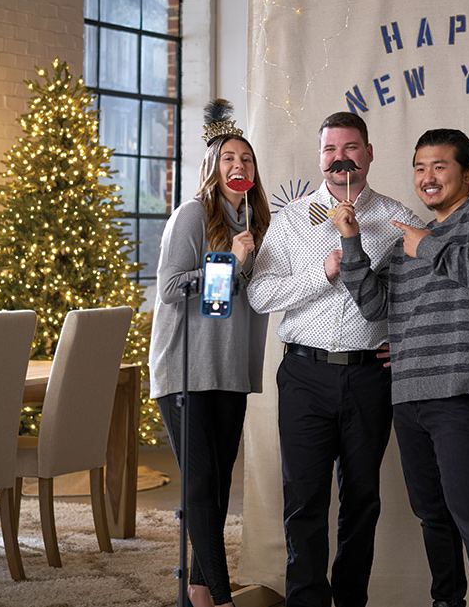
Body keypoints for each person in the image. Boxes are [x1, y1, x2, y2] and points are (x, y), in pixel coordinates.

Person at [337, 128, 469, 607]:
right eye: (420, 168)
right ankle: (447, 601)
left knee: (468, 513)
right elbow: (376, 307)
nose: (428, 177)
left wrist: (428, 247)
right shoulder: (410, 239)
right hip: (408, 395)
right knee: (432, 515)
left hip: (460, 389)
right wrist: (353, 243)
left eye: (440, 166)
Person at [247, 111, 423, 607]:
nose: (339, 159)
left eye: (350, 148)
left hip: (370, 377)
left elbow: (421, 297)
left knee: (362, 500)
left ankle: (350, 603)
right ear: (320, 157)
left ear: (368, 154)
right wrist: (323, 273)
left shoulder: (397, 219)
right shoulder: (292, 219)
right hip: (304, 374)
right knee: (303, 500)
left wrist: (404, 342)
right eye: (330, 150)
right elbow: (260, 295)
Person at [149, 99, 271, 607]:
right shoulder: (191, 216)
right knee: (201, 488)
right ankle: (221, 598)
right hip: (187, 373)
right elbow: (172, 286)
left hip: (230, 373)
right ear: (212, 167)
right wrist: (228, 261)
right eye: (229, 159)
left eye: (246, 159)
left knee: (218, 489)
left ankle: (197, 592)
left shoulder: (257, 222)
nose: (239, 166)